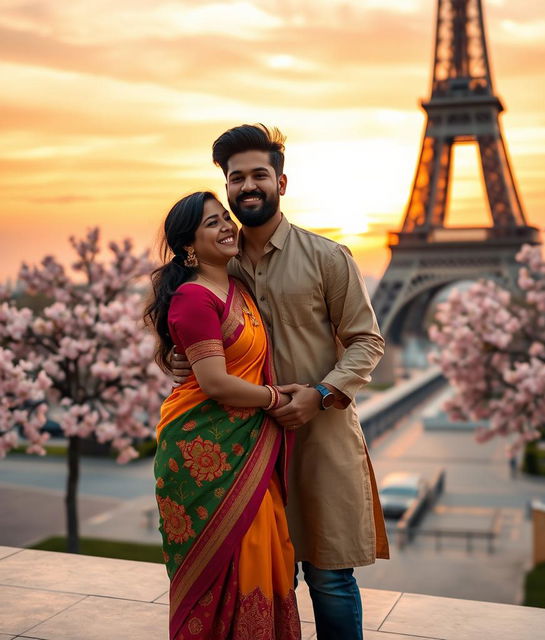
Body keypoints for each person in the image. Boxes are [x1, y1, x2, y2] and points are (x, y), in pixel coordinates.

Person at [172, 125, 389, 640]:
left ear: (282, 183)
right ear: (226, 187)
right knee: (265, 579)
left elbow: (367, 341)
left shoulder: (328, 258)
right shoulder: (217, 263)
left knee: (330, 576)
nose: (248, 186)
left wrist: (319, 395)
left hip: (322, 438)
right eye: (236, 177)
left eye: (259, 175)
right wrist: (180, 363)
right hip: (247, 444)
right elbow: (192, 332)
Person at [145, 191, 301, 640]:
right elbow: (213, 382)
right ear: (189, 245)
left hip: (245, 444)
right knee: (231, 557)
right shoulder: (194, 298)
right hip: (203, 451)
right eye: (212, 223)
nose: (227, 226)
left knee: (261, 547)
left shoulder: (237, 288)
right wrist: (275, 399)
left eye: (225, 218)